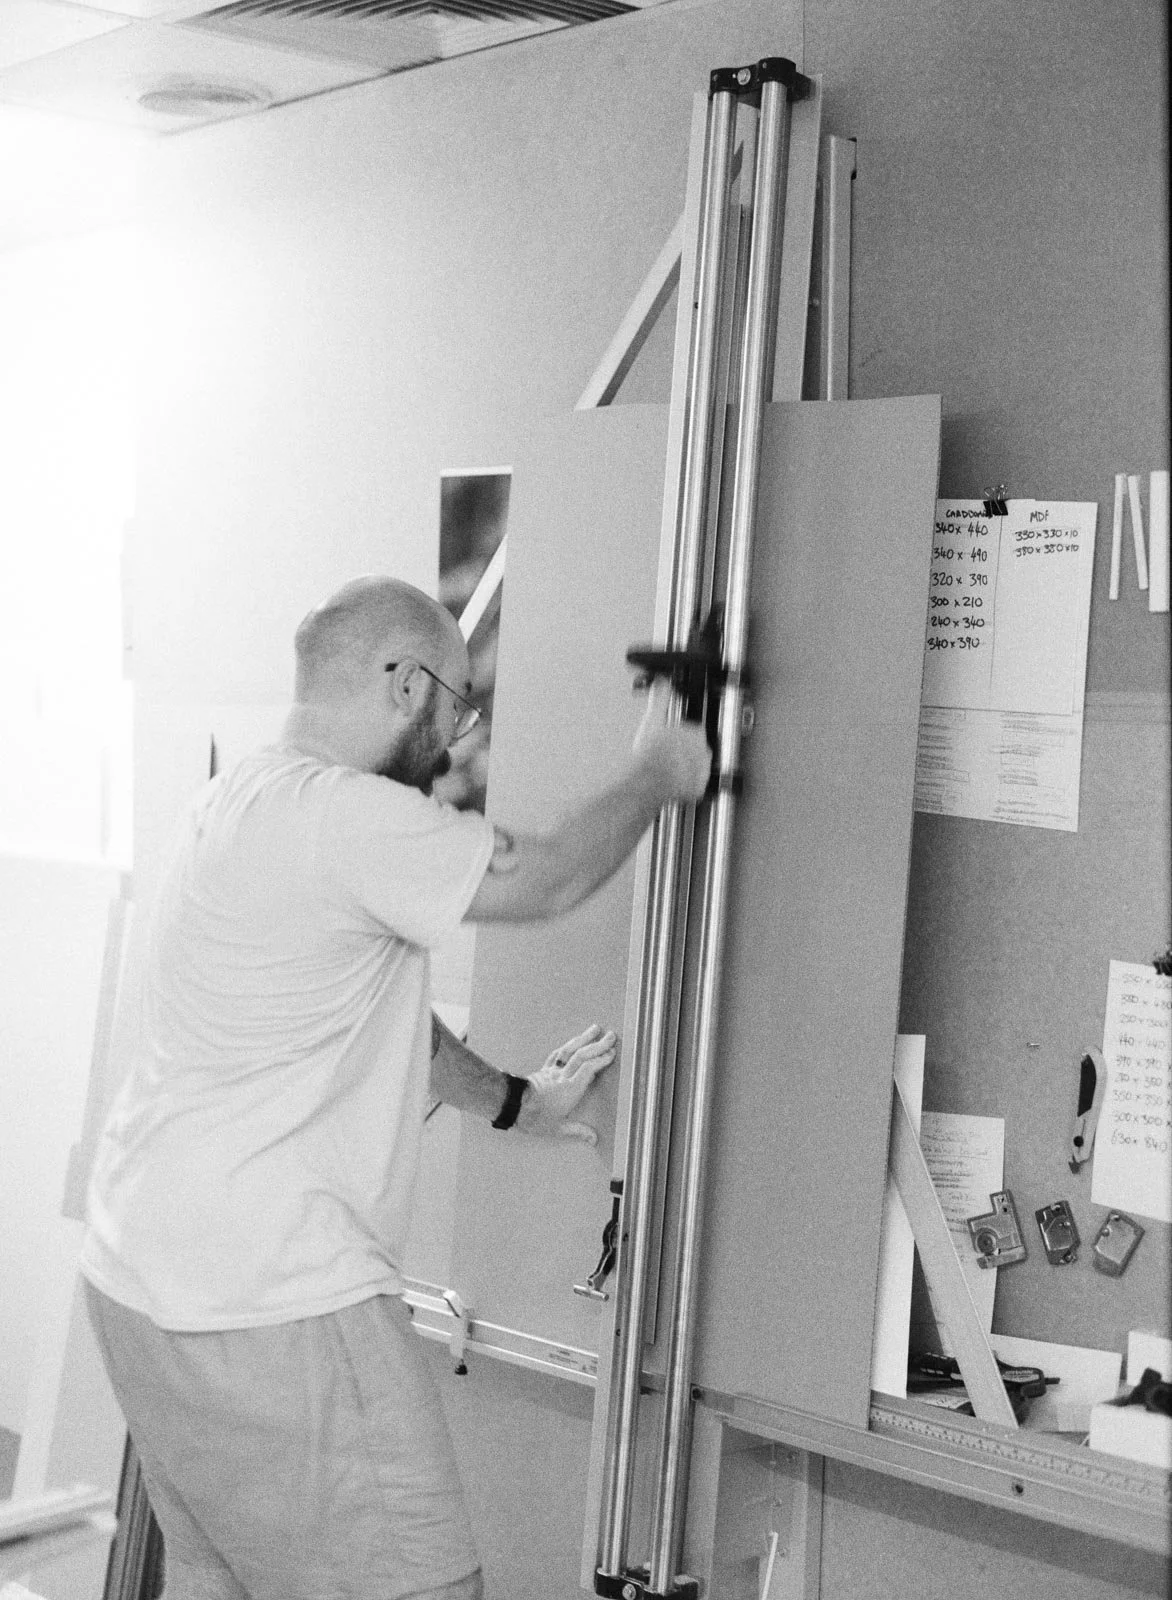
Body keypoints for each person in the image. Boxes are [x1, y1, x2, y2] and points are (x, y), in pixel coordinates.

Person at [80, 574, 711, 1600]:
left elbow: (379, 1026)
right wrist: (660, 770)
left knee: (221, 1576)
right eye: (457, 706)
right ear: (406, 681)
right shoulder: (349, 814)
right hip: (274, 1301)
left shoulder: (234, 801)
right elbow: (545, 876)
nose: (455, 741)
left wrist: (518, 1100)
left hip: (143, 1288)